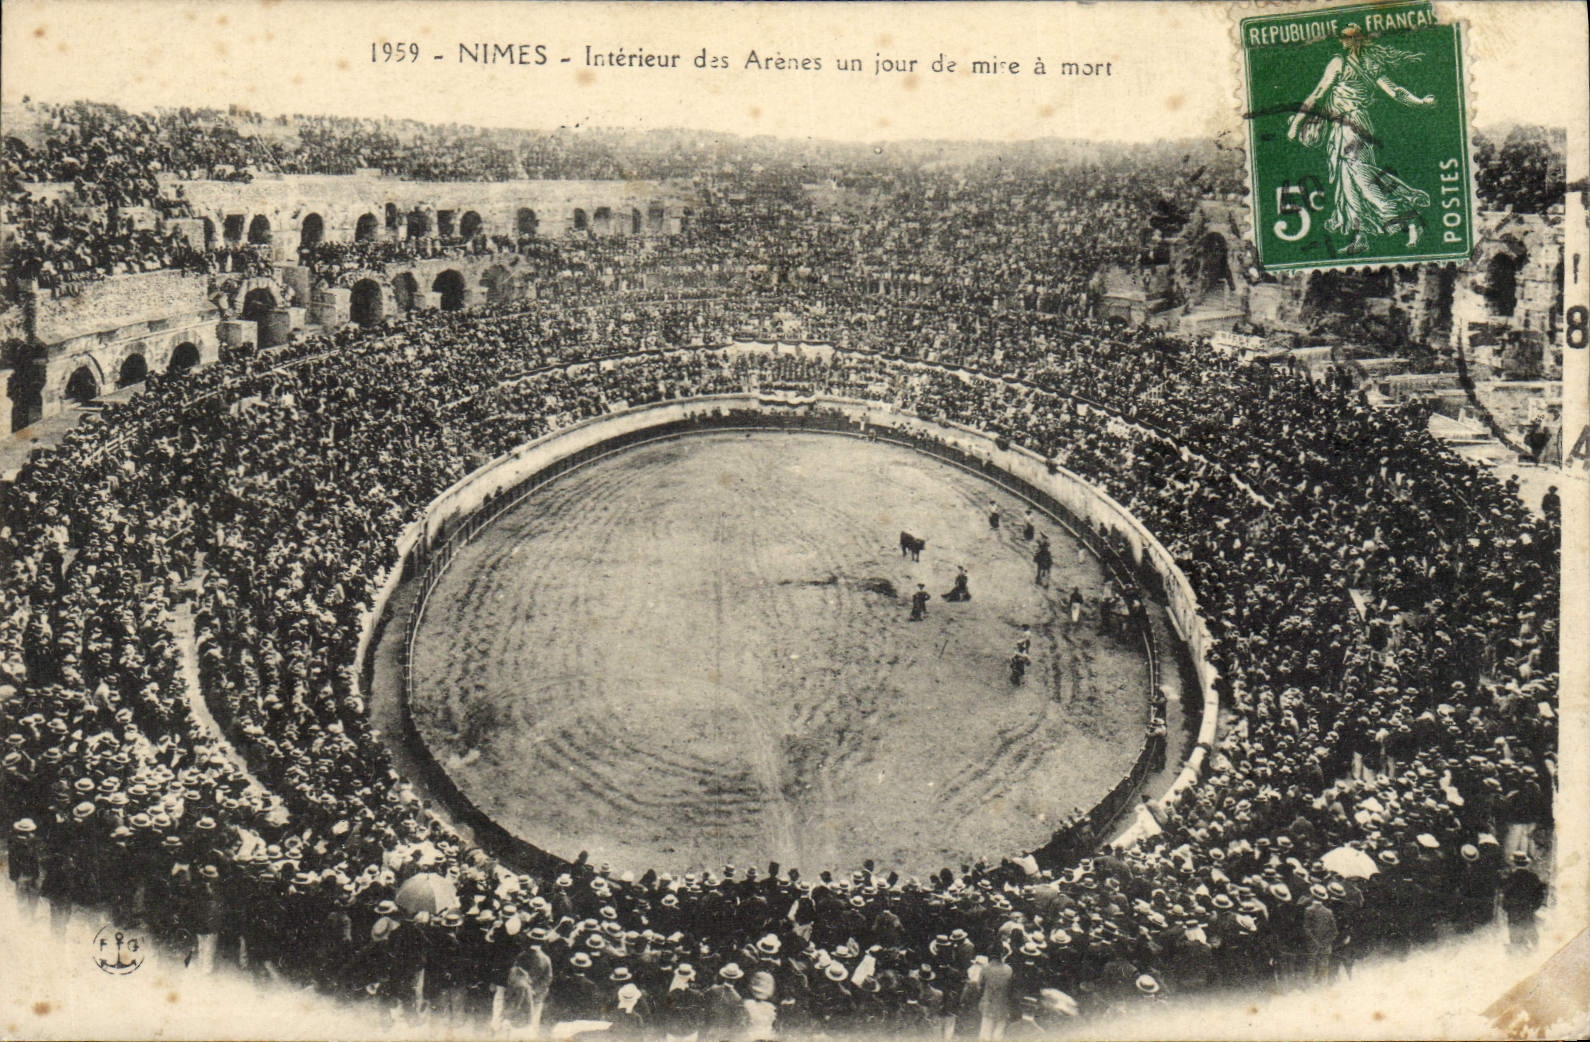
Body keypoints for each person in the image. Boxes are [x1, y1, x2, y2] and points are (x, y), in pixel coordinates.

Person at [1286, 23, 1436, 254]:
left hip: (1352, 126)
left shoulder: (1349, 63)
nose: (1346, 42)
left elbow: (1317, 95)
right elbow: (1394, 92)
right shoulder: (1363, 64)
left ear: (1359, 40)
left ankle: (1410, 218)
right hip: (1342, 127)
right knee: (1348, 186)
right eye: (1345, 38)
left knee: (1363, 179)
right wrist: (1420, 102)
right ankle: (1361, 236)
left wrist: (1296, 125)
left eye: (1350, 38)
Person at [1499, 852, 1546, 951]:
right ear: (1526, 863)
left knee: (1515, 939)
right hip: (1528, 911)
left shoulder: (1511, 877)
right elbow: (1540, 895)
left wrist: (1508, 908)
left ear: (1514, 863)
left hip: (1514, 912)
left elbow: (1505, 896)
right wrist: (1533, 907)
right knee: (1532, 937)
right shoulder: (1533, 877)